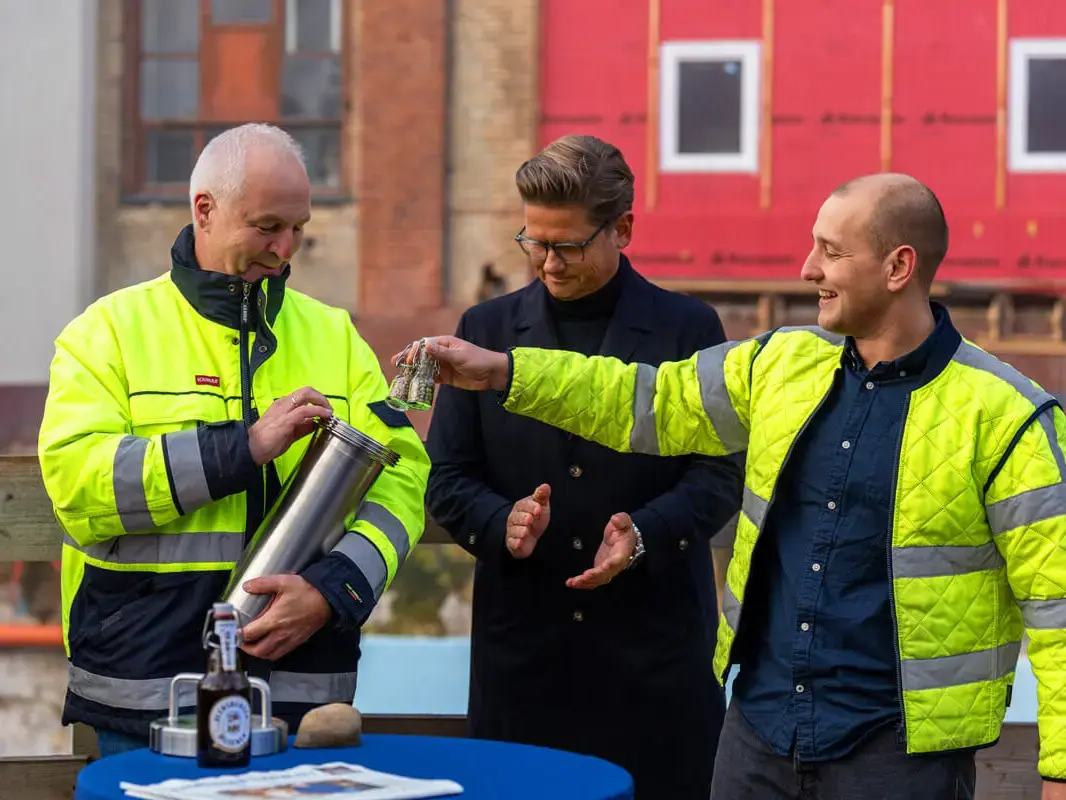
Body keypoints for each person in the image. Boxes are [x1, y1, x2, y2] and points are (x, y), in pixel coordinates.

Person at [405, 173, 1066, 800]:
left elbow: (1059, 608)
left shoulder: (1008, 417)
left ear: (898, 268)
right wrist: (502, 371)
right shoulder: (781, 364)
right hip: (758, 737)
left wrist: (1061, 771)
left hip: (900, 759)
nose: (808, 269)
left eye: (830, 252)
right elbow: (645, 398)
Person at [38, 123, 430, 757]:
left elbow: (405, 477)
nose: (285, 248)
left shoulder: (335, 336)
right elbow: (80, 483)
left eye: (299, 228)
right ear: (205, 210)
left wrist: (334, 591)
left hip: (299, 685)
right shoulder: (105, 334)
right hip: (147, 690)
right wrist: (240, 449)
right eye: (267, 226)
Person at [422, 134, 742, 800]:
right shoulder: (484, 326)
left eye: (566, 245)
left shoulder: (690, 329)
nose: (547, 263)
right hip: (523, 668)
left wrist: (646, 533)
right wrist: (499, 521)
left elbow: (719, 477)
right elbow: (446, 479)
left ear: (623, 228)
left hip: (655, 671)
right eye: (533, 241)